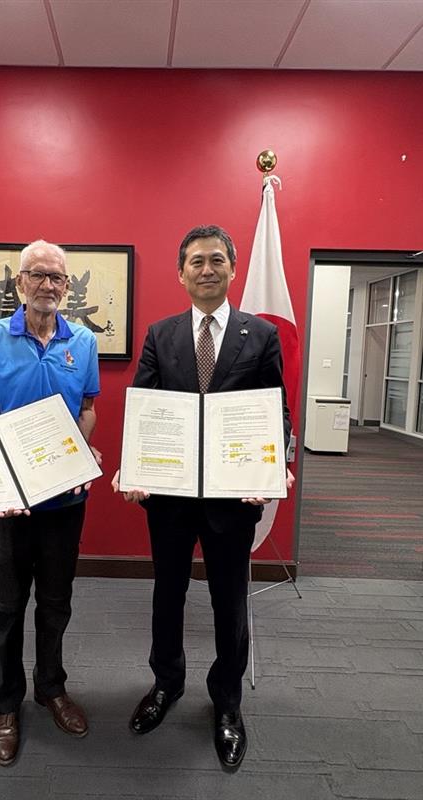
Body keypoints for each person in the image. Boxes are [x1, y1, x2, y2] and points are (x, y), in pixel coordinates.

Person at [113, 224, 292, 770]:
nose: (207, 269)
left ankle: (227, 702)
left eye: (217, 260)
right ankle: (166, 684)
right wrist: (132, 463)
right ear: (181, 272)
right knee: (167, 595)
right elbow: (143, 407)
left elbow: (275, 410)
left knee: (228, 601)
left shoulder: (260, 335)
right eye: (196, 261)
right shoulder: (160, 334)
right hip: (168, 495)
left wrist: (279, 461)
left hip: (232, 498)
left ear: (233, 269)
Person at [0, 240, 100, 766]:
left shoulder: (84, 342)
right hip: (8, 502)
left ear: (67, 287)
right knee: (6, 606)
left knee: (55, 602)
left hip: (63, 502)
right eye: (38, 275)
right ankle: (6, 704)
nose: (49, 284)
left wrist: (82, 449)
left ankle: (50, 688)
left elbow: (88, 409)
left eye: (58, 277)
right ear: (20, 282)